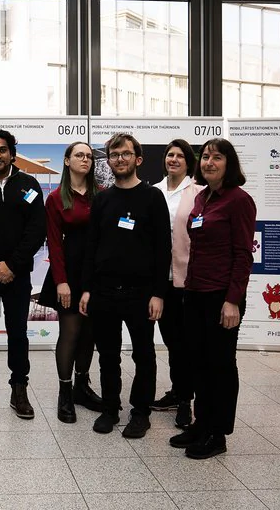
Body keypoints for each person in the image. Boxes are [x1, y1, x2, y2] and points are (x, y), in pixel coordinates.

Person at [79, 133, 171, 439]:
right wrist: (87, 288)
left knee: (143, 356)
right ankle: (110, 409)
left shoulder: (152, 197)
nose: (119, 159)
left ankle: (140, 412)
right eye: (114, 154)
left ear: (138, 159)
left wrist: (158, 293)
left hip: (141, 293)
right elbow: (91, 246)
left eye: (125, 154)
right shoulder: (102, 199)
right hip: (104, 292)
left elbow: (163, 248)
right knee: (108, 355)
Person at [169, 138, 256, 459]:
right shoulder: (202, 197)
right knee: (198, 362)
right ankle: (201, 424)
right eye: (205, 156)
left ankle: (217, 434)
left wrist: (233, 300)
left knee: (220, 365)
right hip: (194, 292)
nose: (209, 162)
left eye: (217, 157)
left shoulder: (239, 200)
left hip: (222, 296)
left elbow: (243, 255)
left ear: (228, 163)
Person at [0, 129, 46, 420]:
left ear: (12, 154)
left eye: (2, 150)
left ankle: (19, 388)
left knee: (18, 333)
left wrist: (12, 265)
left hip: (18, 274)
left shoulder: (29, 184)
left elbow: (36, 230)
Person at [39, 142, 103, 424]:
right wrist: (61, 282)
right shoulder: (56, 198)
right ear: (67, 161)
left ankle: (81, 388)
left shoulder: (101, 195)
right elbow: (54, 243)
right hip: (69, 272)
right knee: (70, 332)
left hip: (96, 273)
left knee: (89, 333)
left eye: (89, 156)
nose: (85, 159)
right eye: (79, 155)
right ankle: (64, 393)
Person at [152, 139, 203, 429]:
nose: (173, 159)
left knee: (186, 342)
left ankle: (186, 399)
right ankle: (177, 391)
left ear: (188, 162)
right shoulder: (154, 191)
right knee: (171, 340)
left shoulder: (198, 192)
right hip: (161, 281)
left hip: (188, 280)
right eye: (170, 155)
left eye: (179, 156)